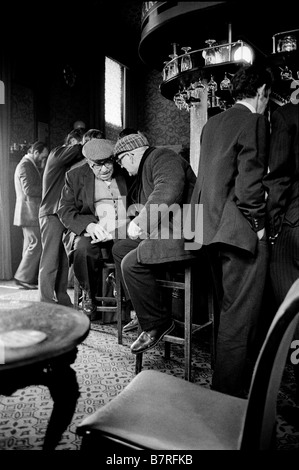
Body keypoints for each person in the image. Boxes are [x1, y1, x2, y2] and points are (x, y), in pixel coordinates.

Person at [186, 64, 273, 398]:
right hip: (237, 231)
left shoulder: (211, 123)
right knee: (242, 316)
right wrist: (260, 227)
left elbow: (210, 178)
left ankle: (224, 384)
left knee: (228, 310)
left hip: (206, 230)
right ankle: (229, 395)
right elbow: (249, 184)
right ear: (263, 91)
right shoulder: (254, 121)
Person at [112, 131, 196, 354]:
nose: (121, 167)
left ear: (130, 155)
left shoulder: (161, 156)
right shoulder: (146, 167)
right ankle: (144, 312)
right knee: (120, 249)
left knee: (131, 263)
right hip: (168, 233)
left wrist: (140, 222)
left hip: (187, 236)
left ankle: (157, 323)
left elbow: (168, 188)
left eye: (121, 161)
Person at [57, 138, 129, 318]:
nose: (104, 169)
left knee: (135, 247)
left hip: (124, 229)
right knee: (83, 248)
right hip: (94, 230)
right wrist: (89, 226)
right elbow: (65, 210)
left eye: (108, 163)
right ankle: (88, 294)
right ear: (89, 163)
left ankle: (127, 294)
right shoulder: (74, 176)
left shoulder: (126, 172)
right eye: (97, 165)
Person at [264, 101, 299, 409]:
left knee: (291, 307)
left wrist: (274, 225)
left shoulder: (288, 115)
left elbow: (279, 176)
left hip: (295, 225)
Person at [38, 128, 84, 306]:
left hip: (62, 214)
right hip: (51, 213)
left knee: (63, 262)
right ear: (71, 141)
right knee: (50, 261)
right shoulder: (57, 152)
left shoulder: (67, 163)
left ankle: (62, 300)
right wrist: (87, 143)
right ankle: (46, 302)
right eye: (78, 143)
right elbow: (80, 149)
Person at [13, 141, 49, 289]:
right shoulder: (25, 165)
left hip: (29, 212)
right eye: (42, 157)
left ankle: (26, 278)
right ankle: (22, 277)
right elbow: (28, 189)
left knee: (30, 245)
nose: (43, 160)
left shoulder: (29, 165)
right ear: (35, 152)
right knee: (36, 244)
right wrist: (47, 188)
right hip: (29, 212)